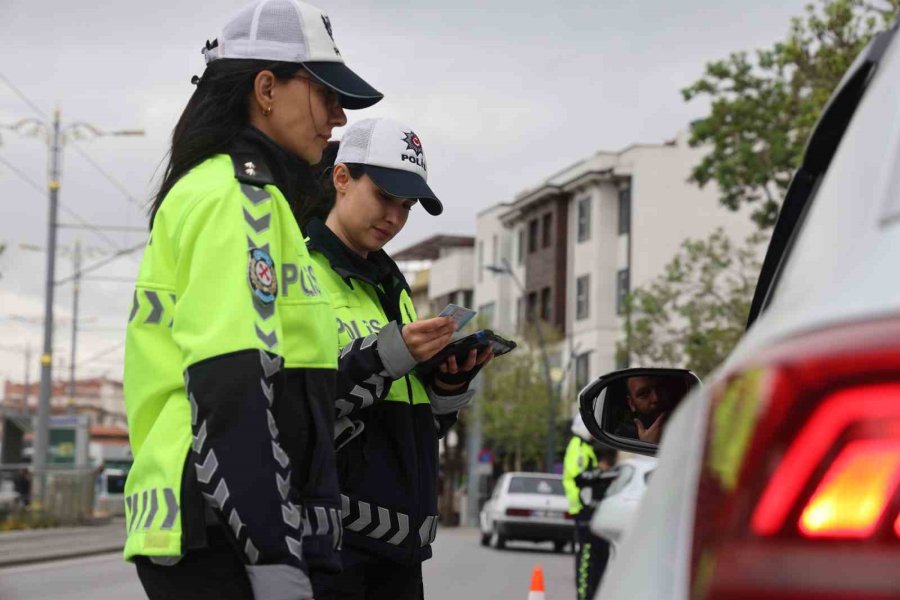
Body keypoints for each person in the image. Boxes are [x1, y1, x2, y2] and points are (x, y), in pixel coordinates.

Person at [122, 2, 385, 599]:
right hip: (224, 534)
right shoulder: (239, 199)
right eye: (326, 94)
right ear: (267, 89)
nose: (340, 117)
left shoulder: (228, 194)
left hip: (207, 524)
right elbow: (233, 390)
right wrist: (272, 556)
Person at [299, 118, 493, 599]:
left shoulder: (393, 287)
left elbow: (413, 426)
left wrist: (448, 386)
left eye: (406, 206)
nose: (395, 217)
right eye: (385, 196)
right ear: (342, 178)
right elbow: (297, 402)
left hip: (402, 549)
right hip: (331, 544)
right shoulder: (300, 271)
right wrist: (389, 354)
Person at [563, 414, 613, 600]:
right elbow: (579, 477)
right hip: (583, 510)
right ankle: (584, 597)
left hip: (591, 511)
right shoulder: (577, 446)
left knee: (599, 557)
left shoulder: (586, 447)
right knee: (586, 559)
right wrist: (601, 473)